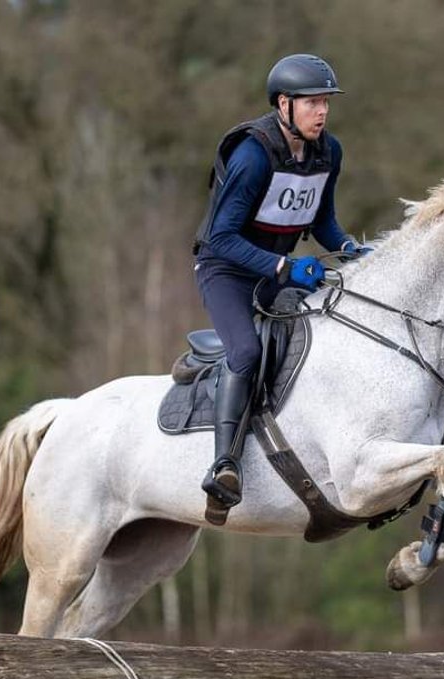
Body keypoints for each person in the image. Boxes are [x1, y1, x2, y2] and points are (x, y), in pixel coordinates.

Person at [193, 53, 370, 520]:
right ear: (284, 104)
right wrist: (283, 267)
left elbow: (323, 221)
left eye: (326, 102)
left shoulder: (328, 152)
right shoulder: (252, 156)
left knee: (332, 325)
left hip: (278, 271)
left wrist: (351, 249)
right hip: (226, 272)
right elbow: (221, 238)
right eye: (313, 103)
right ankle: (224, 465)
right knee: (247, 353)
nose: (323, 112)